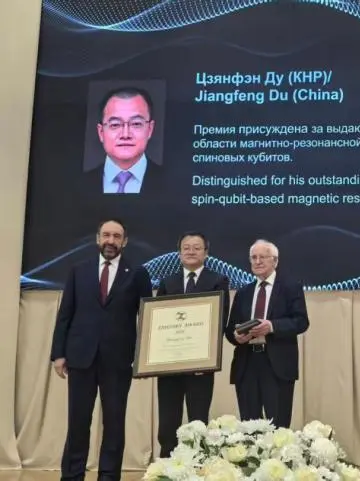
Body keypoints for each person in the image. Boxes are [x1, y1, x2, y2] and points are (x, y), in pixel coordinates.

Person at [50, 219, 152, 481]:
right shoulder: (78, 270)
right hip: (80, 358)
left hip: (118, 361)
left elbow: (148, 317)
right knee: (78, 422)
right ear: (97, 239)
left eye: (117, 236)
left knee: (114, 424)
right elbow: (65, 314)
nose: (111, 241)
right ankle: (72, 475)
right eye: (106, 235)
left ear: (124, 242)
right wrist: (58, 354)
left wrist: (146, 358)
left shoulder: (137, 273)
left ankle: (108, 476)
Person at [155, 231, 230, 457]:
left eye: (197, 248)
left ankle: (197, 463)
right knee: (168, 419)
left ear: (206, 253)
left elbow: (220, 320)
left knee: (198, 419)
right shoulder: (167, 282)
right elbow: (158, 321)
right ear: (179, 253)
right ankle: (167, 463)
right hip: (170, 364)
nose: (191, 252)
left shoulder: (218, 280)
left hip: (200, 364)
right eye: (186, 248)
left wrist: (205, 355)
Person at [224, 239, 309, 428]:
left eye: (263, 257)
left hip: (277, 365)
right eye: (253, 257)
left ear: (275, 261)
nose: (257, 261)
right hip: (247, 364)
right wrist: (237, 336)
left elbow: (301, 321)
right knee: (249, 428)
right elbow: (230, 330)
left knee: (278, 427)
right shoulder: (243, 292)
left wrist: (271, 326)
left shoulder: (290, 288)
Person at [86, 86, 162, 195]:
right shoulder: (74, 186)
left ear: (150, 129)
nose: (125, 135)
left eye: (136, 124)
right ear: (101, 132)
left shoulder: (176, 185)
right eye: (115, 125)